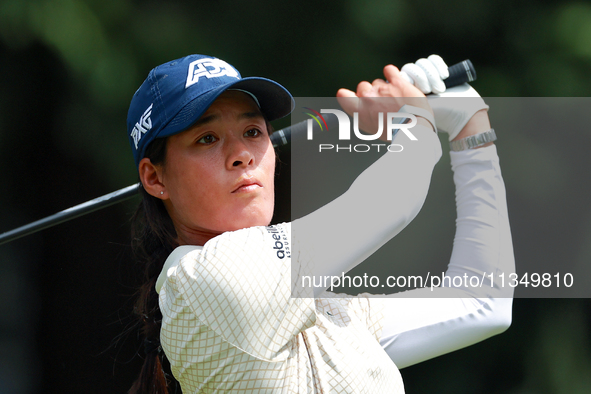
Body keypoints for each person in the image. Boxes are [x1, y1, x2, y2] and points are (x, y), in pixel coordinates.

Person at [126, 54, 514, 393]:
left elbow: (483, 301)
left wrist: (470, 126)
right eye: (207, 138)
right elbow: (391, 200)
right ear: (156, 179)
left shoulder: (317, 312)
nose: (242, 154)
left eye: (252, 131)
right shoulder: (203, 280)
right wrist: (414, 118)